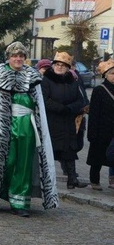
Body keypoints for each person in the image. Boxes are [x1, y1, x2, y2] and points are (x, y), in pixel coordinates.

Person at [0, 42, 59, 217]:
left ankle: (19, 201)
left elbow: (38, 104)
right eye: (14, 56)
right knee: (7, 161)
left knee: (24, 163)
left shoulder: (32, 76)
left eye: (21, 56)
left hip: (27, 125)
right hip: (4, 126)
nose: (18, 59)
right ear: (8, 58)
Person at [41, 51, 90, 189]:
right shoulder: (46, 80)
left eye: (63, 65)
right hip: (52, 120)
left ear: (68, 67)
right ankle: (46, 180)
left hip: (68, 120)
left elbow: (80, 100)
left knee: (69, 150)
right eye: (57, 64)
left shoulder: (72, 81)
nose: (60, 67)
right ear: (53, 65)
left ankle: (72, 179)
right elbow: (44, 100)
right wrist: (60, 108)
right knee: (49, 151)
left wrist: (69, 109)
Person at [87, 60, 114, 190]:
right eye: (112, 73)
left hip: (113, 130)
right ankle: (94, 180)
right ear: (105, 75)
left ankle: (112, 180)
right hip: (101, 129)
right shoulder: (99, 90)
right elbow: (93, 113)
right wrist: (92, 133)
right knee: (97, 157)